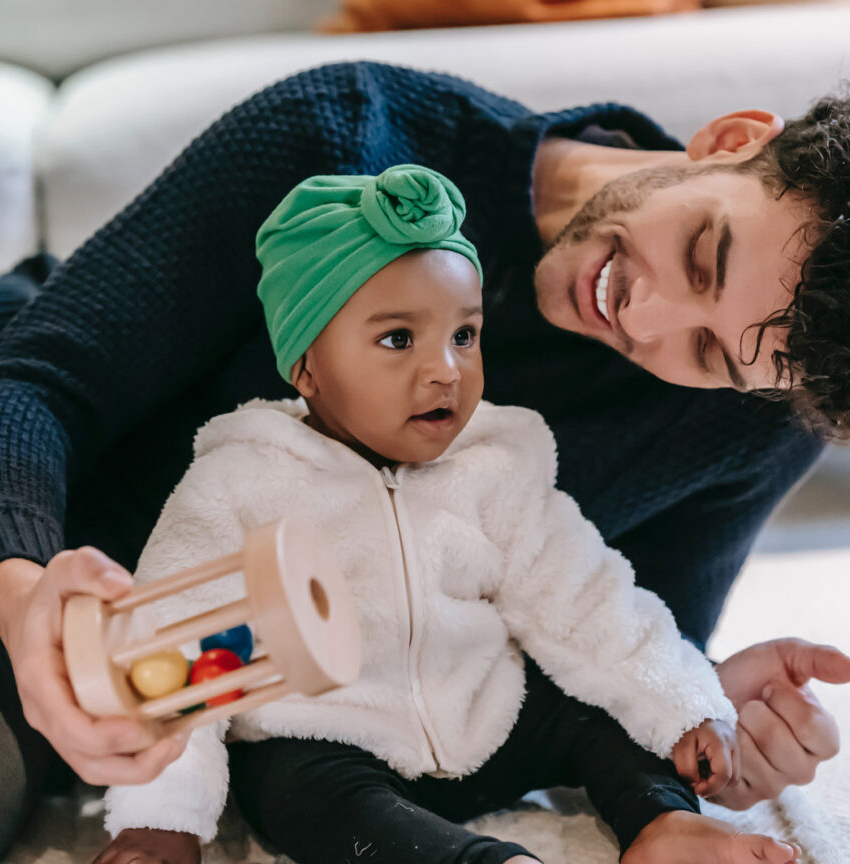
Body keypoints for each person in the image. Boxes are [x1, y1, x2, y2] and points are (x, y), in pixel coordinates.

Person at [0, 59, 850, 860]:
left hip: (57, 696)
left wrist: (700, 702)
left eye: (712, 352)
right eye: (701, 254)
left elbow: (557, 655)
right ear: (727, 142)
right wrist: (22, 591)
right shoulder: (353, 132)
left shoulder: (749, 419)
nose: (648, 319)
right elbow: (38, 386)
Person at [92, 164, 801, 864]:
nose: (447, 371)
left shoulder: (497, 462)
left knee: (598, 706)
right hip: (334, 740)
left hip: (484, 716)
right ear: (307, 365)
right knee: (291, 789)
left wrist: (684, 702)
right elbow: (172, 650)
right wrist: (159, 821)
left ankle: (663, 824)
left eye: (464, 335)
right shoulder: (241, 477)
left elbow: (582, 594)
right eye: (398, 339)